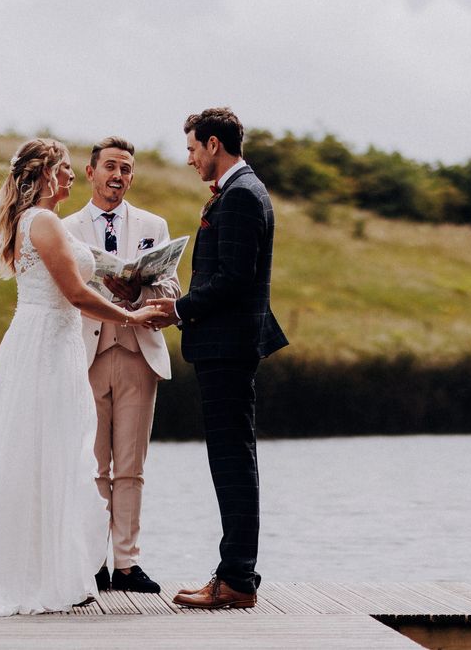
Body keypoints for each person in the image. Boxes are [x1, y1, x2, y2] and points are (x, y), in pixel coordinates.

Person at [0, 139, 165, 623]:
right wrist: (136, 315)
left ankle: (53, 569)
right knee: (49, 453)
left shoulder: (35, 222)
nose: (69, 177)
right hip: (46, 345)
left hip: (51, 343)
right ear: (44, 175)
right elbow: (77, 295)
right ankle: (40, 576)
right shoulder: (43, 222)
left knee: (52, 454)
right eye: (63, 170)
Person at [148, 107, 288, 609]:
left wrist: (179, 308)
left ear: (212, 144)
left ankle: (236, 580)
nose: (188, 159)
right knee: (233, 460)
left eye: (190, 149)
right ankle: (236, 576)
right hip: (225, 345)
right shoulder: (240, 193)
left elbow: (234, 278)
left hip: (227, 348)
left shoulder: (242, 197)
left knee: (232, 462)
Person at [63, 137, 180, 594]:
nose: (118, 176)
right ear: (90, 172)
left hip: (138, 353)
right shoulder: (64, 226)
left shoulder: (153, 224)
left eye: (126, 169)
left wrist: (142, 292)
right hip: (84, 355)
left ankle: (127, 564)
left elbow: (170, 287)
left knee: (131, 467)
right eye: (110, 167)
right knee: (92, 465)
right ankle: (93, 562)